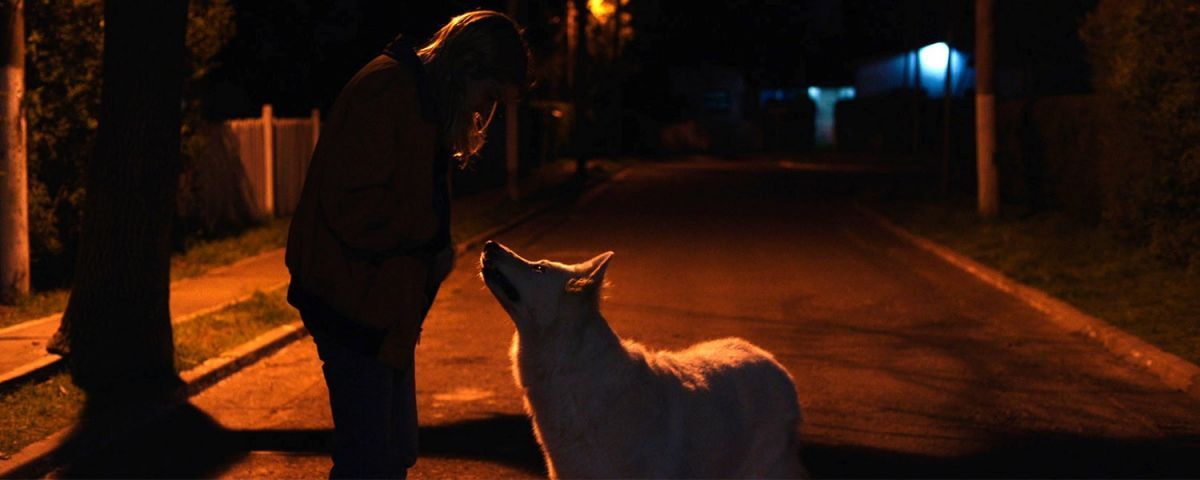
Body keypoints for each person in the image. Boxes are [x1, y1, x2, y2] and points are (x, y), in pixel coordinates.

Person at [285, 11, 529, 479]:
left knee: (392, 452)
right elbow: (354, 206)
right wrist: (426, 237)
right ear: (469, 68)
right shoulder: (389, 92)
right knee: (371, 460)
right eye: (489, 96)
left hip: (381, 303)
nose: (484, 113)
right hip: (352, 301)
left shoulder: (418, 99)